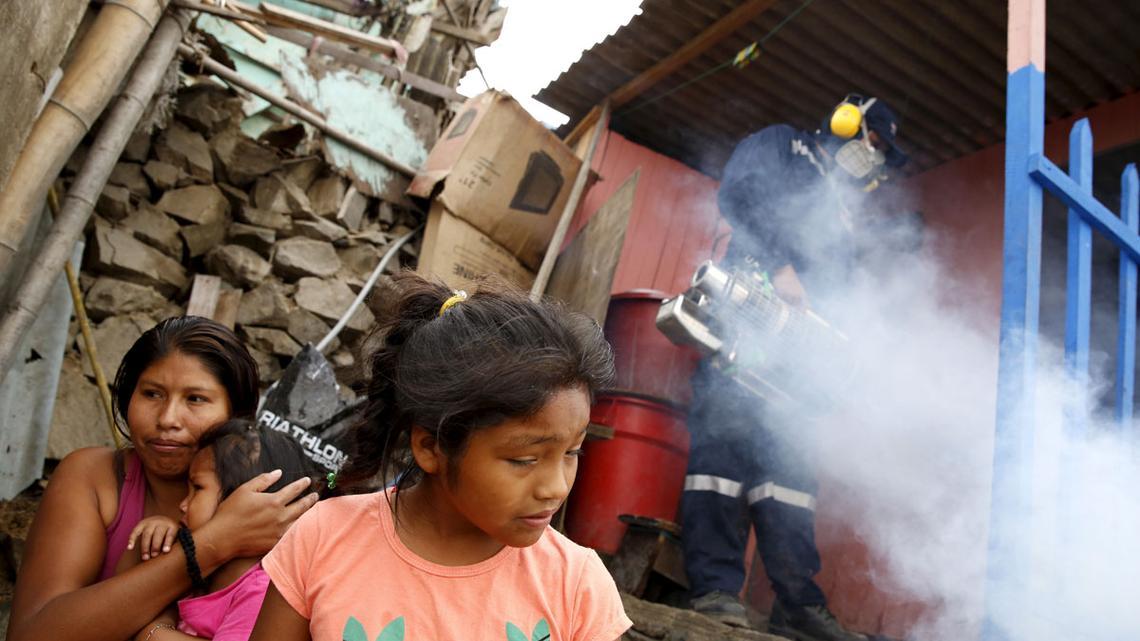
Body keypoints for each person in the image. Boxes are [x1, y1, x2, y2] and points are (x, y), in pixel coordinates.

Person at [249, 273, 633, 641]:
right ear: (431, 447)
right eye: (524, 459)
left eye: (572, 452)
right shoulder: (324, 538)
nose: (556, 487)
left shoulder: (577, 586)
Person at [681, 94, 908, 641]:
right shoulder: (787, 144)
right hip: (748, 315)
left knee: (790, 472)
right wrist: (779, 266)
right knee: (722, 456)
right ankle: (713, 589)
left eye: (880, 153)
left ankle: (797, 601)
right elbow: (740, 191)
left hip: (801, 353)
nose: (872, 157)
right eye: (871, 142)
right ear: (847, 124)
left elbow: (842, 290)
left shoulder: (843, 212)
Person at [6, 316, 320, 641]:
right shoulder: (94, 478)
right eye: (152, 394)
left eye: (195, 399)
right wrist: (213, 544)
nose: (167, 419)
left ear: (237, 415)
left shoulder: (270, 511)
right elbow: (31, 636)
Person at [125, 418, 325, 641]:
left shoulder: (261, 592)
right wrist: (161, 541)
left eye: (197, 488)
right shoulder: (204, 568)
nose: (182, 504)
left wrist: (152, 633)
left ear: (248, 504)